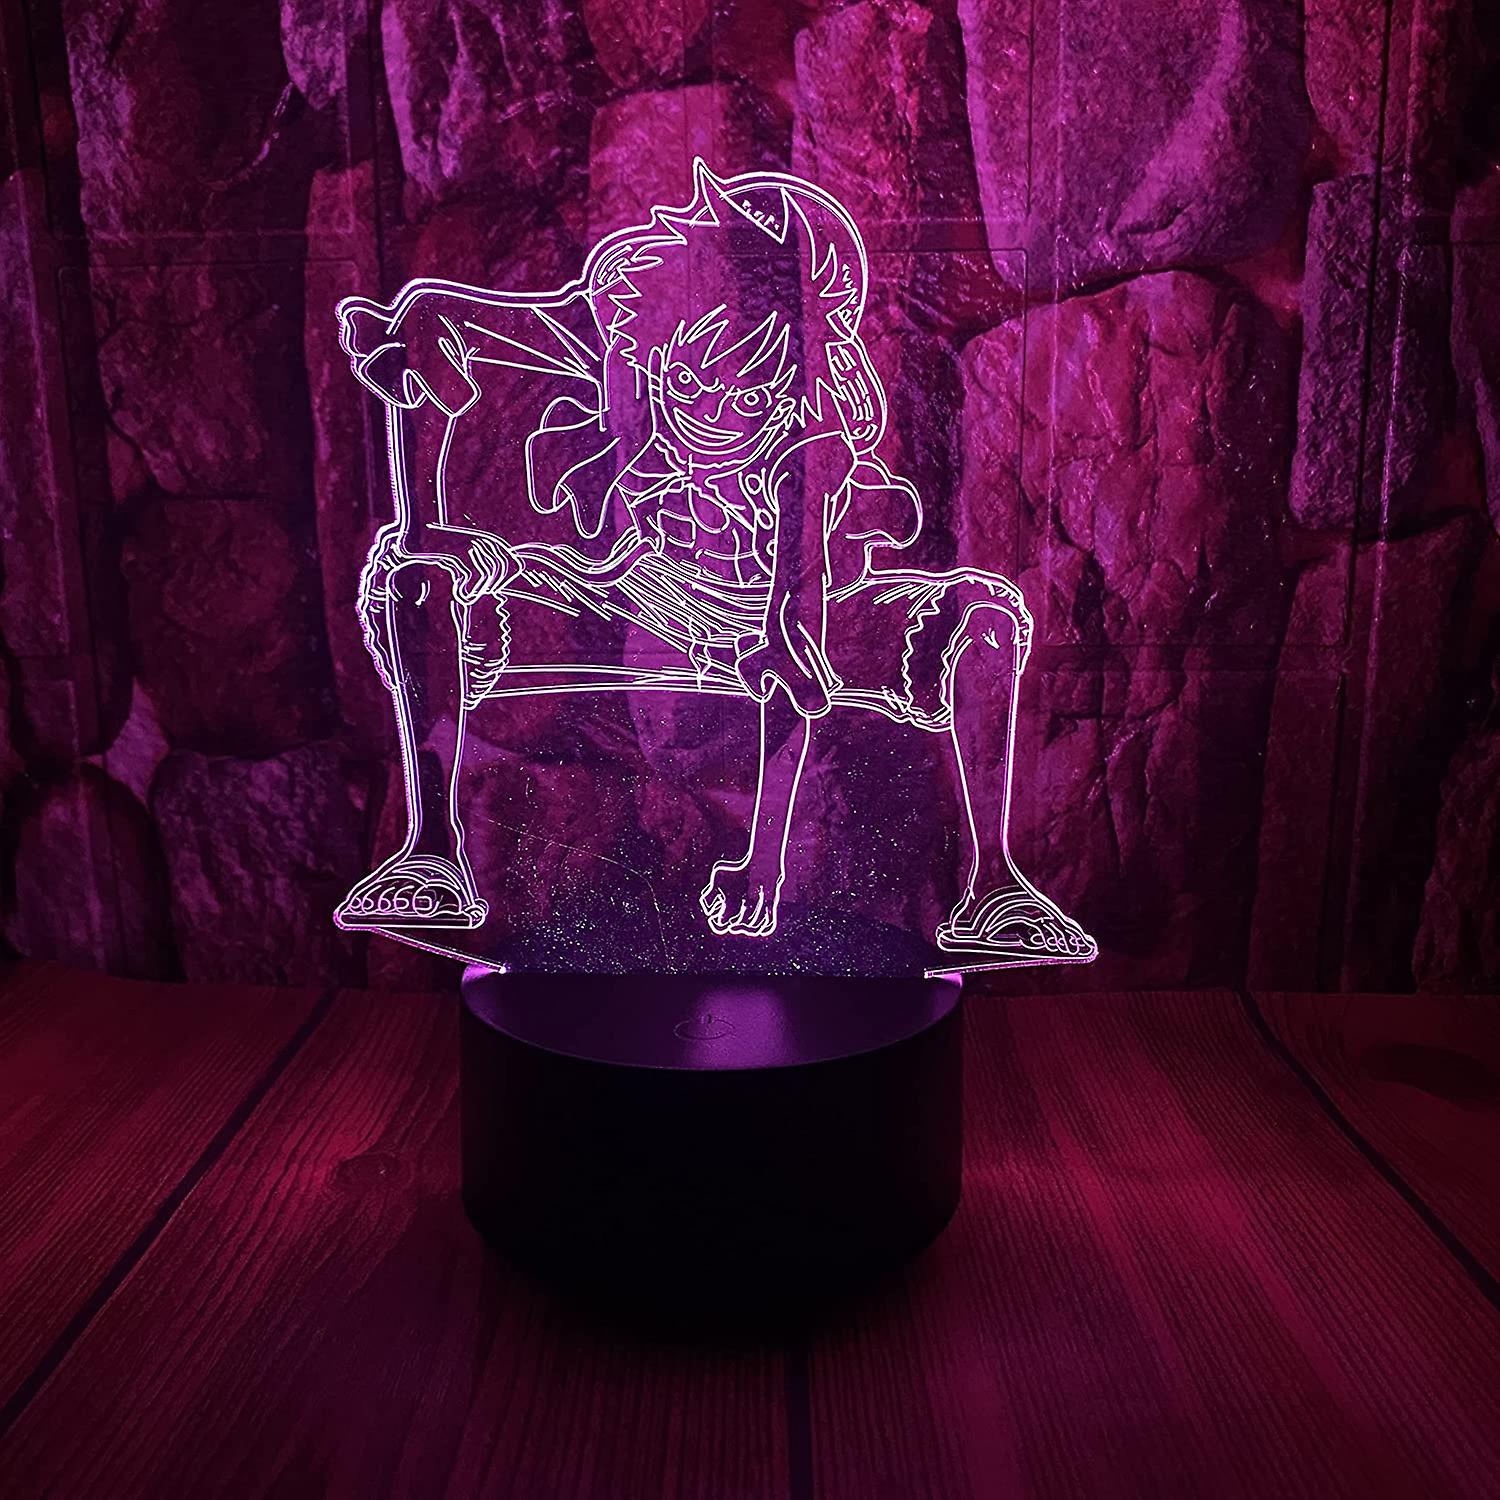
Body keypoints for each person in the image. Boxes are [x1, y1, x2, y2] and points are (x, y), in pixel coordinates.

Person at [334, 160, 1095, 966]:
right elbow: (504, 324)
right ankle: (429, 853)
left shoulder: (814, 443)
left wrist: (762, 868)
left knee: (982, 618)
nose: (713, 416)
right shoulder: (639, 347)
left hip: (812, 606)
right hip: (650, 595)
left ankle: (996, 887)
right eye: (690, 383)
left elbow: (793, 633)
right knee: (415, 580)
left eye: (751, 396)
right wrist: (413, 329)